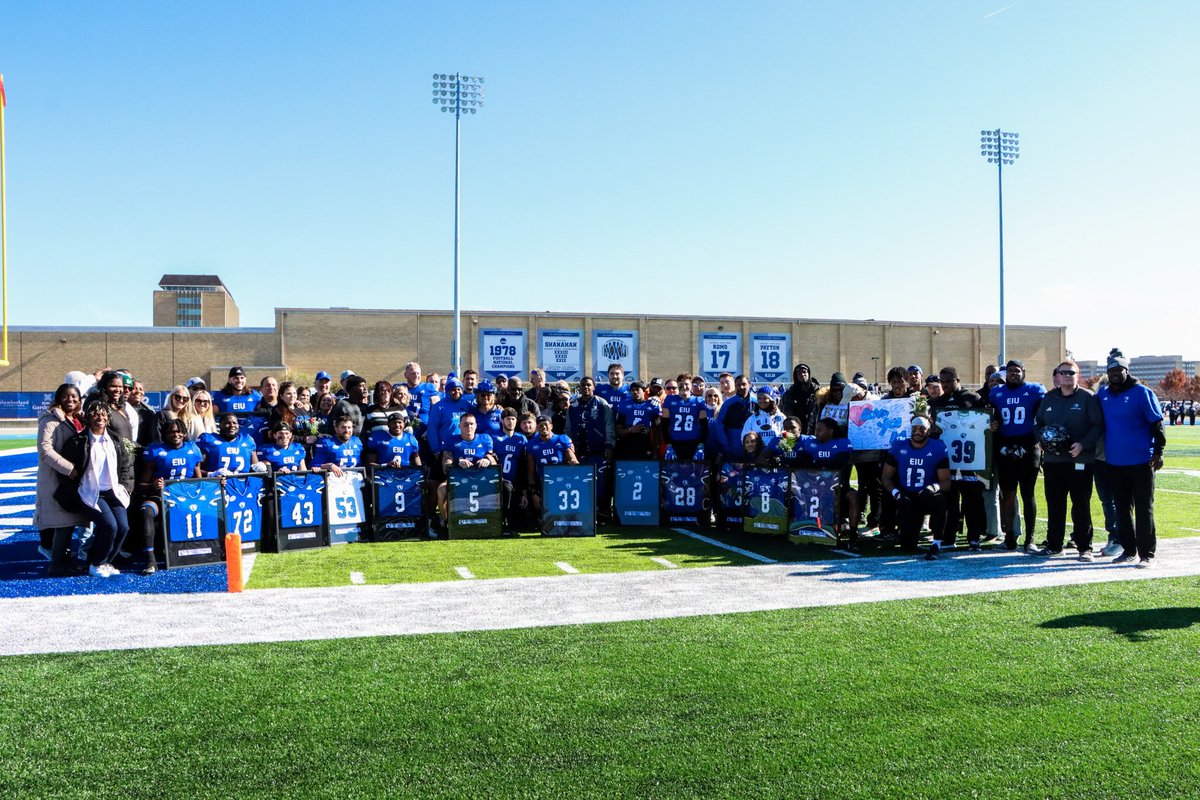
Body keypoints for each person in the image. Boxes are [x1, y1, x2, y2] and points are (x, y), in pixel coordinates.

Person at [1096, 349, 1166, 566]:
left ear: (1126, 370)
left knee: (1144, 508)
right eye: (1111, 370)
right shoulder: (1104, 394)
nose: (1115, 373)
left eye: (1119, 369)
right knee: (1122, 510)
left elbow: (1157, 423)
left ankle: (1147, 554)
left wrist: (1158, 452)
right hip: (1115, 462)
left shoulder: (1141, 392)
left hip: (1141, 462)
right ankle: (1128, 550)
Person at [1033, 359, 1104, 560]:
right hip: (1054, 462)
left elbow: (1098, 425)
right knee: (1055, 504)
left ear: (1077, 376)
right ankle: (1054, 545)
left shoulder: (1087, 397)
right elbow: (1037, 424)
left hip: (1080, 460)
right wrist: (1042, 441)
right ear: (1056, 375)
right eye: (1063, 372)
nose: (1066, 376)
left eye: (1071, 373)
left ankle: (1084, 547)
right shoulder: (1048, 398)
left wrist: (1083, 444)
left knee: (1081, 504)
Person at [55, 402, 134, 578]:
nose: (100, 418)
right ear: (88, 418)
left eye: (104, 415)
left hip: (114, 491)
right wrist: (74, 488)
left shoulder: (115, 439)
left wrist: (125, 487)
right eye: (96, 415)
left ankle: (105, 561)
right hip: (91, 492)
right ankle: (95, 563)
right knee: (109, 526)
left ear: (108, 418)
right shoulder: (78, 441)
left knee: (123, 527)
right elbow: (66, 471)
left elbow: (125, 466)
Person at [928, 366, 990, 551]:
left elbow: (986, 422)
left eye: (949, 380)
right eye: (943, 381)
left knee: (972, 499)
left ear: (957, 379)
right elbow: (933, 431)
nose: (946, 384)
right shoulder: (938, 402)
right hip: (947, 460)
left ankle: (974, 537)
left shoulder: (972, 398)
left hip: (971, 459)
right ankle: (949, 536)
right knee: (949, 499)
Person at [989, 359, 1046, 551]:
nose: (1014, 374)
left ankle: (1029, 539)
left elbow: (1043, 415)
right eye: (1010, 371)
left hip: (1029, 445)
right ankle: (1010, 537)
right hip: (1005, 446)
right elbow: (991, 417)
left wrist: (1037, 442)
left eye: (1017, 371)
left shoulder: (1035, 389)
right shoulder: (996, 392)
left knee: (1028, 493)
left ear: (1024, 372)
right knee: (1008, 495)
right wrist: (994, 425)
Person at [135, 418, 204, 574]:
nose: (175, 434)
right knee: (146, 510)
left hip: (186, 498)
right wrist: (153, 486)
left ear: (185, 433)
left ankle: (203, 551)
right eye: (171, 431)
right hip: (161, 497)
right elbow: (140, 485)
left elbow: (200, 481)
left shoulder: (193, 449)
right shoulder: (156, 450)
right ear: (164, 434)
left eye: (179, 430)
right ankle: (151, 560)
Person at [35, 383, 87, 576]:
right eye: (66, 396)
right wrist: (70, 469)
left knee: (70, 521)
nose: (71, 400)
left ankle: (65, 560)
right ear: (58, 399)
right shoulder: (50, 420)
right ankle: (57, 564)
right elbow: (44, 450)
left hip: (73, 480)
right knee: (62, 522)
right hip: (56, 478)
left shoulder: (78, 420)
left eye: (74, 396)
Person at [882, 416, 950, 559]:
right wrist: (897, 494)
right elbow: (886, 478)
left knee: (940, 500)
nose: (917, 432)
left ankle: (936, 543)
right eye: (914, 428)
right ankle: (892, 531)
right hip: (906, 496)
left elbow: (946, 482)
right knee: (907, 547)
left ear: (928, 431)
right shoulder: (899, 445)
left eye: (922, 429)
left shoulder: (937, 447)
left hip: (925, 495)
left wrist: (932, 488)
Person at [435, 413, 497, 525]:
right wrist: (458, 463)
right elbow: (446, 466)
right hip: (459, 477)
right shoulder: (451, 441)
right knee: (441, 489)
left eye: (471, 424)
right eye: (465, 424)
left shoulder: (485, 439)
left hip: (481, 477)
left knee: (504, 485)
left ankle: (499, 521)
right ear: (459, 426)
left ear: (476, 426)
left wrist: (488, 461)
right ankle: (446, 521)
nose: (469, 427)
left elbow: (492, 460)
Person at [526, 413, 579, 512]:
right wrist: (533, 492)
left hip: (562, 481)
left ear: (551, 425)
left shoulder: (562, 439)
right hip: (543, 483)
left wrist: (574, 463)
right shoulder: (532, 444)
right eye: (540, 425)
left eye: (546, 424)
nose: (543, 427)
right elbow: (531, 472)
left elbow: (573, 459)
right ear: (537, 428)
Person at [661, 376, 707, 460]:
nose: (684, 386)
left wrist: (701, 444)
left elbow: (704, 426)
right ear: (677, 385)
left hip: (693, 442)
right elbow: (664, 424)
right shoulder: (669, 400)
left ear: (691, 385)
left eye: (686, 384)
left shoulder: (699, 401)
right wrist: (668, 444)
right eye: (681, 384)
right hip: (675, 442)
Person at [614, 380, 661, 460]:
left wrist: (655, 451)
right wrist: (630, 430)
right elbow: (618, 429)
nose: (635, 392)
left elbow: (657, 431)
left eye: (637, 389)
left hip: (645, 445)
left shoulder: (652, 406)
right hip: (627, 445)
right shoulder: (625, 405)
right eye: (632, 390)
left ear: (644, 390)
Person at [715, 374, 754, 457]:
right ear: (735, 386)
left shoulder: (757, 402)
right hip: (734, 448)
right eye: (738, 385)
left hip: (754, 448)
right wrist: (726, 446)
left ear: (749, 385)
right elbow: (719, 425)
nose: (741, 387)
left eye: (744, 384)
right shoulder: (728, 404)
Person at [780, 363, 821, 434]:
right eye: (799, 373)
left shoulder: (818, 393)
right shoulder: (789, 394)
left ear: (808, 374)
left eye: (804, 372)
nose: (802, 374)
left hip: (814, 431)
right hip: (793, 431)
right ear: (796, 376)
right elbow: (782, 412)